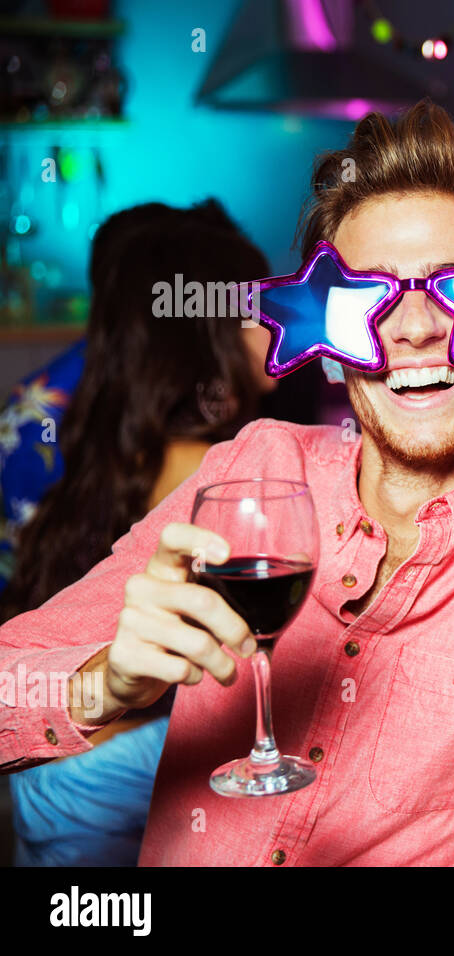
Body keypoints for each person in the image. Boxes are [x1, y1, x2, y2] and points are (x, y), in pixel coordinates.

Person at [0, 101, 454, 866]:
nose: (414, 330)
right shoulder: (251, 470)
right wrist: (100, 687)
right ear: (328, 341)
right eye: (365, 301)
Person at [1, 200, 277, 865]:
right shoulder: (219, 477)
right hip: (110, 799)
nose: (276, 324)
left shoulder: (94, 449)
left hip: (48, 784)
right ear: (204, 333)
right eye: (256, 308)